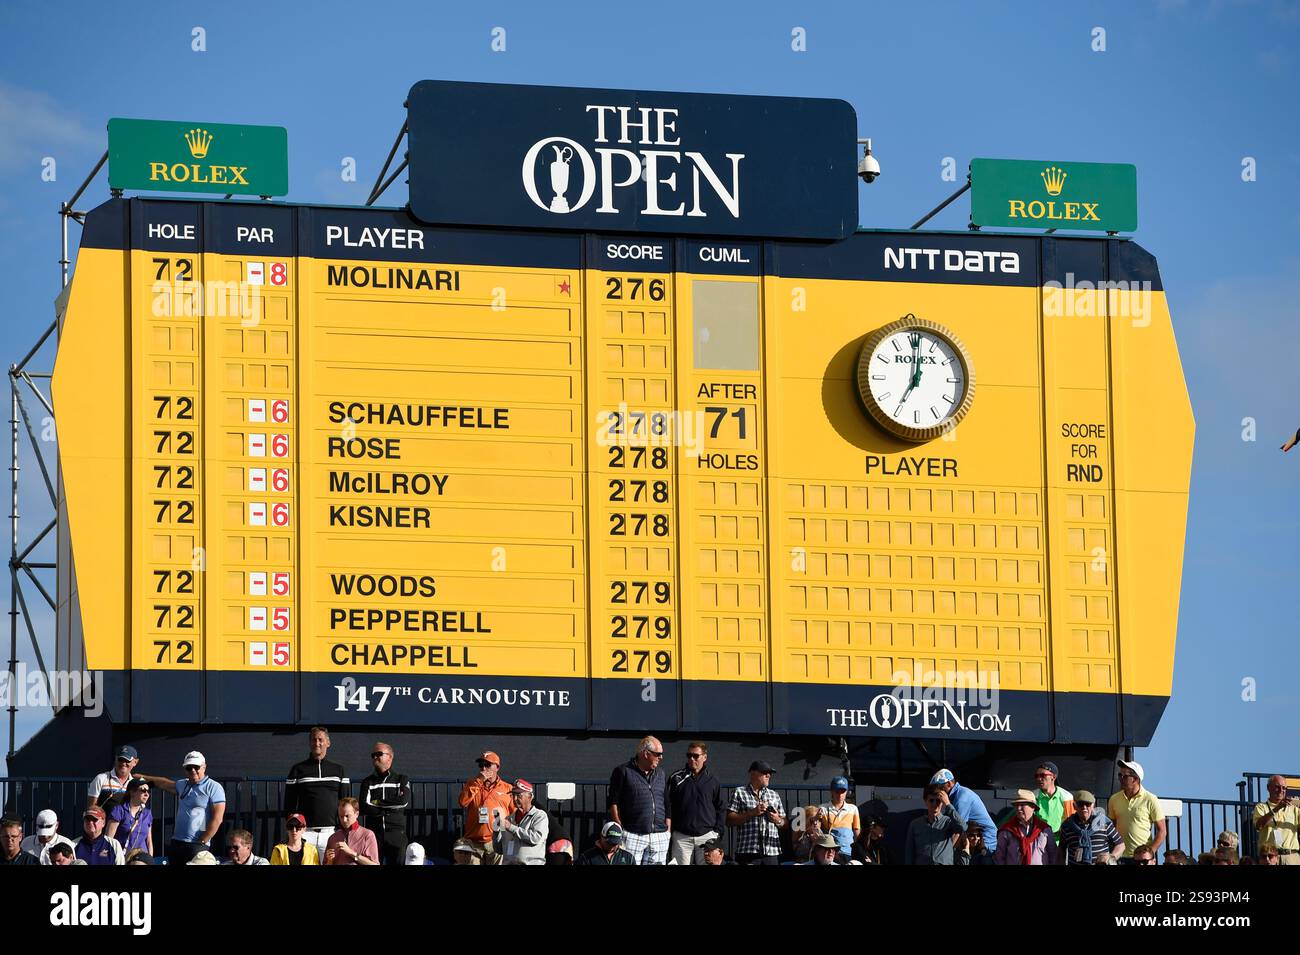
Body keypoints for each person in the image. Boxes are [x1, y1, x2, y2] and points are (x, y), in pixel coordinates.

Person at [136, 751, 226, 866]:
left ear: (204, 767)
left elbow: (218, 818)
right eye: (189, 767)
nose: (193, 770)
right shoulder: (183, 784)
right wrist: (142, 778)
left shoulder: (214, 787)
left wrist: (203, 841)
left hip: (197, 845)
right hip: (177, 843)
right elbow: (163, 783)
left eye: (196, 767)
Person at [285, 726, 350, 855]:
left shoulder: (339, 770)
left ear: (328, 743)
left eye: (320, 739)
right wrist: (295, 830)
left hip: (331, 833)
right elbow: (289, 803)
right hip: (305, 833)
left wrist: (342, 830)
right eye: (314, 740)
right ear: (310, 743)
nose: (317, 743)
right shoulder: (297, 769)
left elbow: (345, 803)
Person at [607, 735, 671, 864]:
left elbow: (666, 802)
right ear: (646, 754)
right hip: (632, 834)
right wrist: (620, 828)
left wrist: (667, 830)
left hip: (659, 835)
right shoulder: (623, 771)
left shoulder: (661, 773)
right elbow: (613, 802)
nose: (661, 758)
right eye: (658, 754)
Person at [666, 740, 726, 865]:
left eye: (695, 756)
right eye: (689, 755)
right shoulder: (676, 778)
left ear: (705, 757)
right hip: (681, 837)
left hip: (707, 837)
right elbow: (667, 806)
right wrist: (669, 832)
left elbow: (720, 808)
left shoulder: (713, 781)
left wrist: (717, 833)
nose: (692, 759)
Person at [457, 750, 514, 864]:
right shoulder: (472, 783)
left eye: (487, 765)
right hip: (473, 841)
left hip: (496, 841)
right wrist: (478, 781)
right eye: (481, 765)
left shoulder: (507, 788)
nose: (483, 768)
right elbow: (462, 802)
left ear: (497, 767)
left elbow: (514, 815)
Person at [358, 740, 410, 865]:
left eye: (379, 754)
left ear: (390, 757)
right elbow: (364, 806)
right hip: (374, 834)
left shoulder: (401, 779)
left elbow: (403, 801)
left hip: (397, 834)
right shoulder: (367, 782)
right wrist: (386, 810)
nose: (375, 757)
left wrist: (377, 802)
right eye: (373, 755)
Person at [726, 760, 787, 865]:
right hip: (747, 852)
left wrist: (777, 819)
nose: (768, 775)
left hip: (771, 853)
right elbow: (729, 820)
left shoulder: (774, 795)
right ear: (753, 773)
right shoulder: (739, 792)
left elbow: (785, 824)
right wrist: (752, 813)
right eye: (764, 772)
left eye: (770, 773)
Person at [929, 768, 997, 856]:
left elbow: (958, 829)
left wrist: (944, 853)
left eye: (940, 788)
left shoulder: (962, 798)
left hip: (986, 842)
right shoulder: (957, 796)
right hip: (977, 841)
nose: (938, 792)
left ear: (949, 784)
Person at [1107, 759, 1166, 860]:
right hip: (1119, 856)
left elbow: (1162, 831)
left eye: (1124, 776)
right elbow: (1111, 827)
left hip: (1141, 859)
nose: (1120, 779)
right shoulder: (1114, 799)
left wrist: (1150, 853)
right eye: (1119, 775)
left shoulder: (1150, 799)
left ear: (1135, 779)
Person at [1057, 789, 1123, 865]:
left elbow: (1120, 845)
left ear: (1093, 805)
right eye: (1080, 804)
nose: (1084, 807)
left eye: (1088, 804)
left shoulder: (1103, 823)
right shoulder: (1067, 825)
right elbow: (1061, 850)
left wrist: (1111, 857)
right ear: (1074, 806)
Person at [905, 783, 965, 865]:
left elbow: (963, 827)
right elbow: (909, 853)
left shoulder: (948, 822)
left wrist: (948, 804)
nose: (934, 804)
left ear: (942, 802)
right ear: (925, 801)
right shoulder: (915, 824)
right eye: (931, 800)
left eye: (938, 801)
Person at [995, 790, 1058, 865]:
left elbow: (1053, 856)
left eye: (1022, 805)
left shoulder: (1044, 829)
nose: (1018, 808)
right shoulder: (1007, 830)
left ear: (1033, 807)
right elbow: (999, 857)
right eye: (1017, 805)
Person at [495, 779, 548, 865]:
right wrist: (496, 830)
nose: (515, 799)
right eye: (513, 795)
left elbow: (536, 838)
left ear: (530, 797)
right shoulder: (509, 819)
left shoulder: (539, 816)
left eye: (519, 795)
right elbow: (499, 850)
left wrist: (511, 827)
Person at [1253, 775, 1299, 865]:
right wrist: (1277, 808)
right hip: (1269, 857)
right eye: (1277, 787)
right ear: (1268, 788)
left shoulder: (1294, 809)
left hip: (1291, 857)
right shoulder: (1261, 807)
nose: (1281, 790)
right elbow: (1259, 825)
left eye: (1284, 788)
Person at [105, 777, 153, 857]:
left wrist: (150, 859)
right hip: (122, 857)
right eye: (143, 790)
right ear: (132, 792)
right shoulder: (119, 811)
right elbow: (108, 839)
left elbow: (149, 842)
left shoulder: (147, 813)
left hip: (141, 859)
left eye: (148, 791)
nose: (147, 794)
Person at [325, 797, 379, 865]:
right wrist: (330, 861)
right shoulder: (333, 838)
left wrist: (351, 852)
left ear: (357, 814)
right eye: (341, 816)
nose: (344, 820)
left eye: (347, 816)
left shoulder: (367, 835)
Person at [819, 776, 861, 861]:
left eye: (843, 791)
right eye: (837, 791)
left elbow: (857, 833)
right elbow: (817, 830)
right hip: (831, 853)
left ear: (846, 792)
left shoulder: (853, 809)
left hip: (849, 853)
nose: (840, 794)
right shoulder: (822, 808)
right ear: (831, 791)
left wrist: (858, 852)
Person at [1033, 761, 1074, 841]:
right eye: (1036, 776)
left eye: (1042, 775)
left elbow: (1071, 823)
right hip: (1037, 843)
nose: (1039, 779)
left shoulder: (1067, 797)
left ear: (1053, 777)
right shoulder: (1032, 797)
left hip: (1061, 844)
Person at [88, 745, 139, 810]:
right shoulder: (100, 778)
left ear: (135, 762)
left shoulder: (135, 785)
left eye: (127, 760)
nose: (123, 763)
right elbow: (91, 809)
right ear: (115, 759)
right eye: (120, 759)